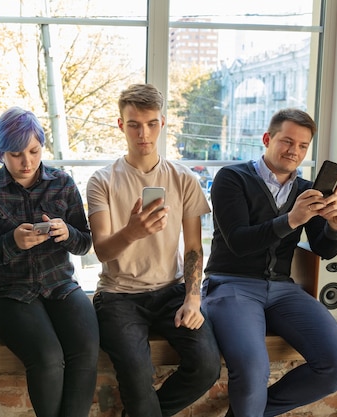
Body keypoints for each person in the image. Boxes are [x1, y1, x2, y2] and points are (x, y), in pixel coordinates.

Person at [201, 108, 337, 417]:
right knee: (251, 369)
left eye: (302, 146)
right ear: (267, 139)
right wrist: (291, 219)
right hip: (231, 284)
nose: (294, 151)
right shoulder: (232, 178)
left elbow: (323, 250)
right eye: (287, 141)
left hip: (283, 290)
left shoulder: (306, 190)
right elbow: (238, 241)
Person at [86, 83, 221, 417]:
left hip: (172, 291)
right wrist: (132, 231)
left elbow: (193, 248)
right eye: (133, 124)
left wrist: (193, 297)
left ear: (162, 123)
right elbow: (102, 251)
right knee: (136, 378)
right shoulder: (101, 181)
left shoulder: (184, 178)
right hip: (118, 296)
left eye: (150, 124)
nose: (142, 133)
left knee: (207, 367)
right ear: (121, 125)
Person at [0, 107, 99, 417]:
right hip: (7, 294)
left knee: (86, 351)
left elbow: (84, 243)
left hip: (60, 286)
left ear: (42, 146)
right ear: (0, 153)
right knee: (48, 357)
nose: (26, 161)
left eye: (34, 151)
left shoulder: (62, 183)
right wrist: (11, 243)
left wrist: (66, 232)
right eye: (16, 154)